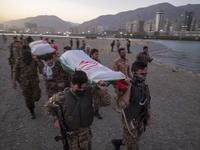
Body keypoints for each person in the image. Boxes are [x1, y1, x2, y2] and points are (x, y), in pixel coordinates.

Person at [44, 70, 111, 150]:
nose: (82, 90)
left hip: (86, 134)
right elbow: (47, 106)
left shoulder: (90, 93)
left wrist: (103, 90)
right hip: (71, 137)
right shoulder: (62, 96)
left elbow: (106, 103)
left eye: (84, 87)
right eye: (79, 88)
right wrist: (55, 120)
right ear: (72, 84)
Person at [112, 61, 151, 150]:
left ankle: (117, 142)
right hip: (130, 121)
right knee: (132, 146)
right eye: (142, 74)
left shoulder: (144, 86)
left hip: (141, 119)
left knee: (135, 139)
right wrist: (129, 86)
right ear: (134, 72)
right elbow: (122, 104)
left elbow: (147, 101)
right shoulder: (125, 85)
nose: (144, 76)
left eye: (146, 74)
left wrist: (148, 116)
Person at [12, 45, 44, 119]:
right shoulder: (19, 60)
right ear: (22, 52)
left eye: (27, 50)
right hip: (24, 83)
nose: (26, 52)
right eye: (24, 50)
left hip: (34, 81)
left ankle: (32, 102)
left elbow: (41, 66)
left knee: (37, 96)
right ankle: (31, 111)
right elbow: (15, 71)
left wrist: (37, 60)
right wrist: (14, 82)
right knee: (27, 98)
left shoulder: (34, 59)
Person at [113, 48, 131, 112]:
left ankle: (123, 103)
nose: (124, 54)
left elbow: (129, 71)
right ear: (119, 53)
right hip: (120, 82)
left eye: (124, 52)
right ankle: (117, 106)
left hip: (126, 81)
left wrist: (130, 78)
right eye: (122, 53)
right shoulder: (116, 61)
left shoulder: (127, 61)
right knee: (119, 94)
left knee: (125, 93)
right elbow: (115, 73)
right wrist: (116, 84)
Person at [90, 48, 103, 119]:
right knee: (89, 98)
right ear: (92, 55)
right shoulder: (89, 62)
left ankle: (96, 112)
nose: (97, 55)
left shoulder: (99, 62)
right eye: (96, 54)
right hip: (90, 83)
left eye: (98, 54)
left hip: (97, 82)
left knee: (97, 97)